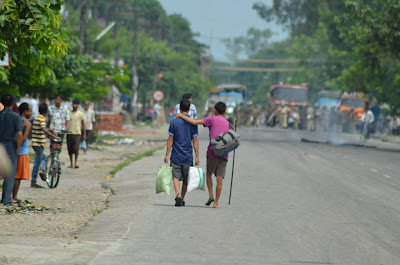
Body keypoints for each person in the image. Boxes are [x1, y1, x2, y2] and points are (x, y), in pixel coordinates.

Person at [177, 101, 230, 208]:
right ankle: (216, 203)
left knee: (209, 173)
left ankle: (211, 195)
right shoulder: (228, 123)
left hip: (212, 152)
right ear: (225, 111)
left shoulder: (211, 119)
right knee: (219, 178)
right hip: (224, 153)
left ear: (215, 110)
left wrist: (182, 116)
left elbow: (194, 122)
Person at [164, 99, 199, 207]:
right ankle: (182, 197)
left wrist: (167, 154)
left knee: (175, 176)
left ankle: (178, 194)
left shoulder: (174, 122)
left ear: (179, 108)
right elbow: (195, 140)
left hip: (176, 154)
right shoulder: (193, 123)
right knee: (186, 179)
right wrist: (197, 156)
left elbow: (170, 138)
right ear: (189, 109)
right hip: (188, 155)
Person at [0, 95, 23, 205]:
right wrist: (18, 147)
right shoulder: (16, 117)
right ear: (13, 103)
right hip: (10, 145)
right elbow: (19, 134)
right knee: (9, 173)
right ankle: (6, 199)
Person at [31, 103, 59, 188]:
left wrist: (50, 130)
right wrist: (53, 136)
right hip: (38, 143)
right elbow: (44, 129)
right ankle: (34, 181)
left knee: (43, 158)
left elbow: (43, 128)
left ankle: (41, 171)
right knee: (37, 162)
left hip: (35, 143)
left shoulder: (37, 118)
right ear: (46, 112)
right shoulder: (42, 119)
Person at [13, 103, 32, 202]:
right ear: (25, 112)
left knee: (12, 175)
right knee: (18, 176)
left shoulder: (15, 120)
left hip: (12, 150)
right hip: (22, 152)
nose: (31, 113)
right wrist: (18, 146)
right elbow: (23, 138)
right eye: (30, 111)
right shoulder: (27, 123)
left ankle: (8, 196)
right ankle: (14, 197)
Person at [67, 99, 86, 168]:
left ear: (78, 105)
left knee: (76, 148)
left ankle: (76, 162)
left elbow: (83, 124)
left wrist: (84, 134)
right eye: (74, 104)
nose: (75, 105)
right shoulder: (68, 113)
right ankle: (71, 163)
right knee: (70, 149)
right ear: (72, 104)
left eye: (76, 104)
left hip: (77, 133)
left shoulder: (81, 114)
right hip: (69, 133)